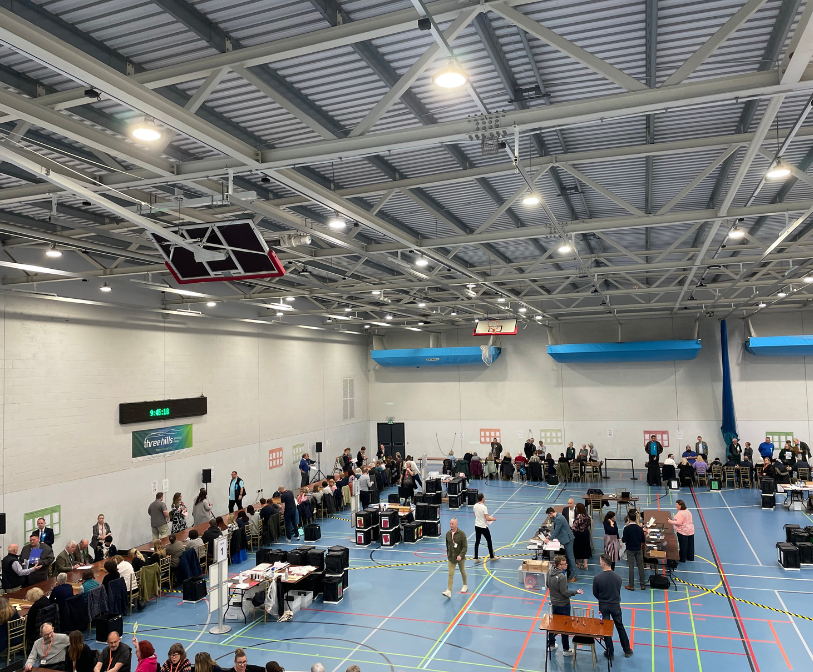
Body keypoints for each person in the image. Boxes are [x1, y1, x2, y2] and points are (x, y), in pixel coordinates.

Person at [592, 554, 633, 659]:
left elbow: (595, 593)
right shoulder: (618, 578)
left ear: (604, 563)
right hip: (615, 605)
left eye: (600, 561)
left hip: (603, 606)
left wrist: (602, 599)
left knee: (606, 629)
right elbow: (617, 591)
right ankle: (627, 650)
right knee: (620, 626)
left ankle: (610, 653)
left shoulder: (597, 578)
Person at [543, 554, 583, 655]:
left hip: (553, 604)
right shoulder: (561, 577)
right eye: (564, 564)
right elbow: (565, 593)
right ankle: (566, 649)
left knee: (553, 626)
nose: (566, 565)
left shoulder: (549, 571)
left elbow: (547, 584)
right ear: (559, 565)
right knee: (565, 628)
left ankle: (551, 645)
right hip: (563, 605)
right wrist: (576, 592)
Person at [545, 507, 577, 581]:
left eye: (548, 515)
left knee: (570, 558)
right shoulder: (558, 516)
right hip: (566, 539)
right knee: (568, 557)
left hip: (567, 539)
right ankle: (569, 572)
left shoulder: (559, 519)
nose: (548, 517)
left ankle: (574, 576)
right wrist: (549, 535)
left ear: (551, 513)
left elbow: (556, 531)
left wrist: (549, 539)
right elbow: (555, 529)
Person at [443, 518, 467, 598]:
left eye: (452, 524)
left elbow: (465, 547)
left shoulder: (462, 534)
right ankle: (449, 590)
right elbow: (447, 545)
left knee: (462, 571)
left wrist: (461, 555)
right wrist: (448, 554)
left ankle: (465, 585)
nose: (451, 525)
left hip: (460, 557)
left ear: (456, 524)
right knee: (450, 574)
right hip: (451, 557)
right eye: (450, 523)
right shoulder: (447, 534)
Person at [621, 512, 646, 590]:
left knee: (631, 567)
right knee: (640, 566)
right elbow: (643, 540)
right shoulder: (639, 528)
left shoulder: (627, 528)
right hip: (638, 549)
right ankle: (642, 584)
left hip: (630, 549)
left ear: (628, 519)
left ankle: (631, 585)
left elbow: (624, 540)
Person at [473, 493, 499, 563]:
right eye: (484, 497)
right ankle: (491, 557)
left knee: (477, 542)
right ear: (482, 499)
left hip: (477, 526)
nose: (484, 498)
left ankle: (476, 558)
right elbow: (487, 518)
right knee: (489, 541)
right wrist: (493, 519)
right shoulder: (484, 507)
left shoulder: (475, 506)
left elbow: (474, 514)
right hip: (483, 527)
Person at [24, 588, 50, 655]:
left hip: (35, 628)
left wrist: (24, 618)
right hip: (45, 623)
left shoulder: (35, 606)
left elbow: (30, 621)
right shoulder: (45, 599)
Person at [571, 503, 591, 570]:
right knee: (585, 548)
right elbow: (589, 523)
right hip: (585, 533)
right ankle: (585, 565)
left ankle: (578, 563)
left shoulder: (579, 517)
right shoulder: (587, 516)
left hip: (579, 534)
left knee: (578, 548)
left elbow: (574, 526)